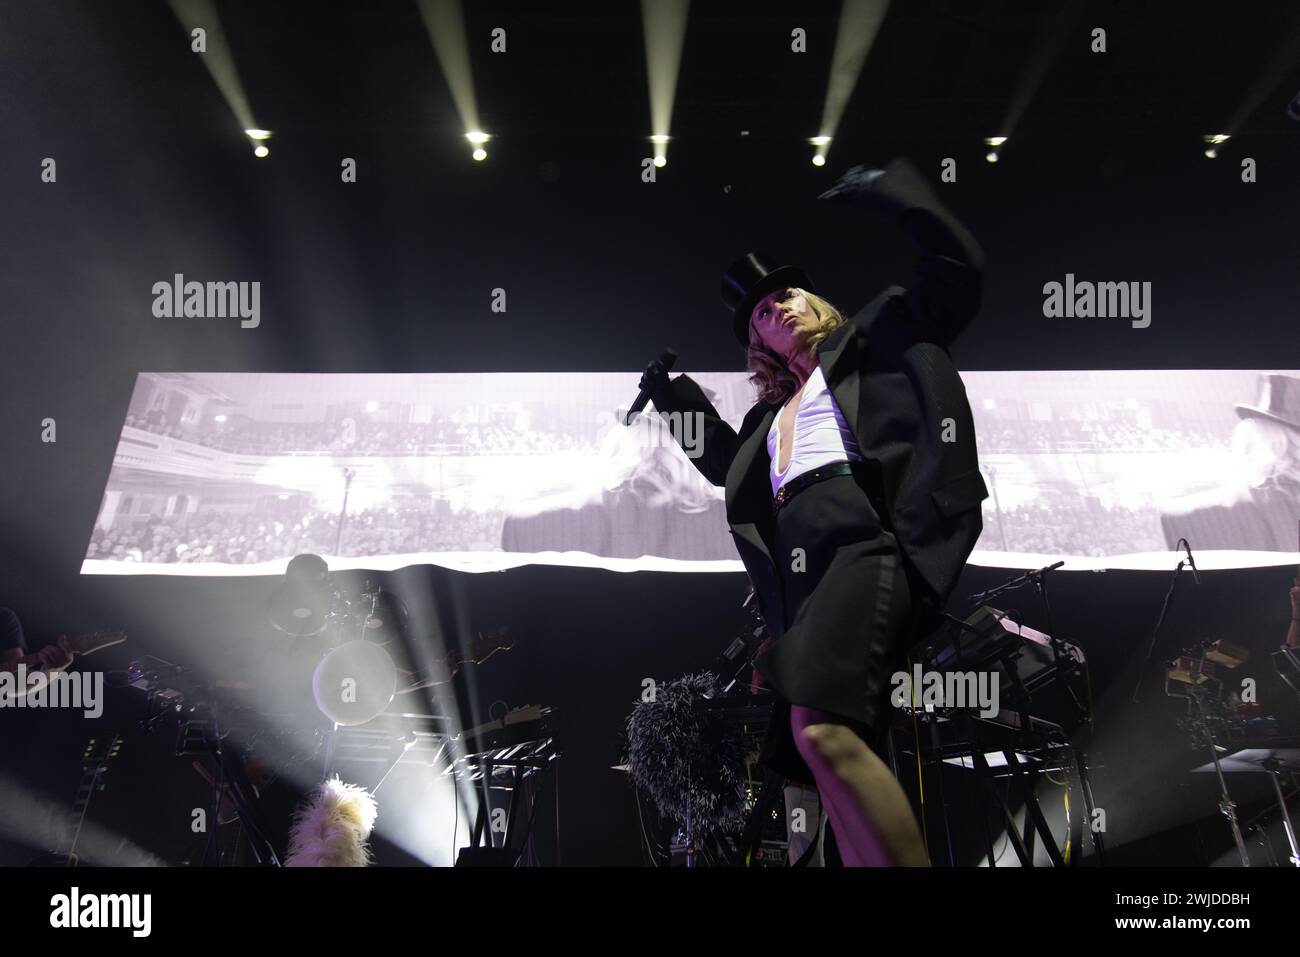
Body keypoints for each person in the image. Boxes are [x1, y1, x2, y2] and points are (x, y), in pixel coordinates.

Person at [641, 158, 988, 865]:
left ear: (817, 302)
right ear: (758, 345)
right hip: (803, 587)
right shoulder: (768, 421)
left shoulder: (876, 341)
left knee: (822, 731)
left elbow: (958, 267)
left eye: (790, 294)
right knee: (818, 752)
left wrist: (893, 196)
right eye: (764, 313)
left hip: (863, 545)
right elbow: (722, 466)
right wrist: (668, 395)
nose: (782, 308)